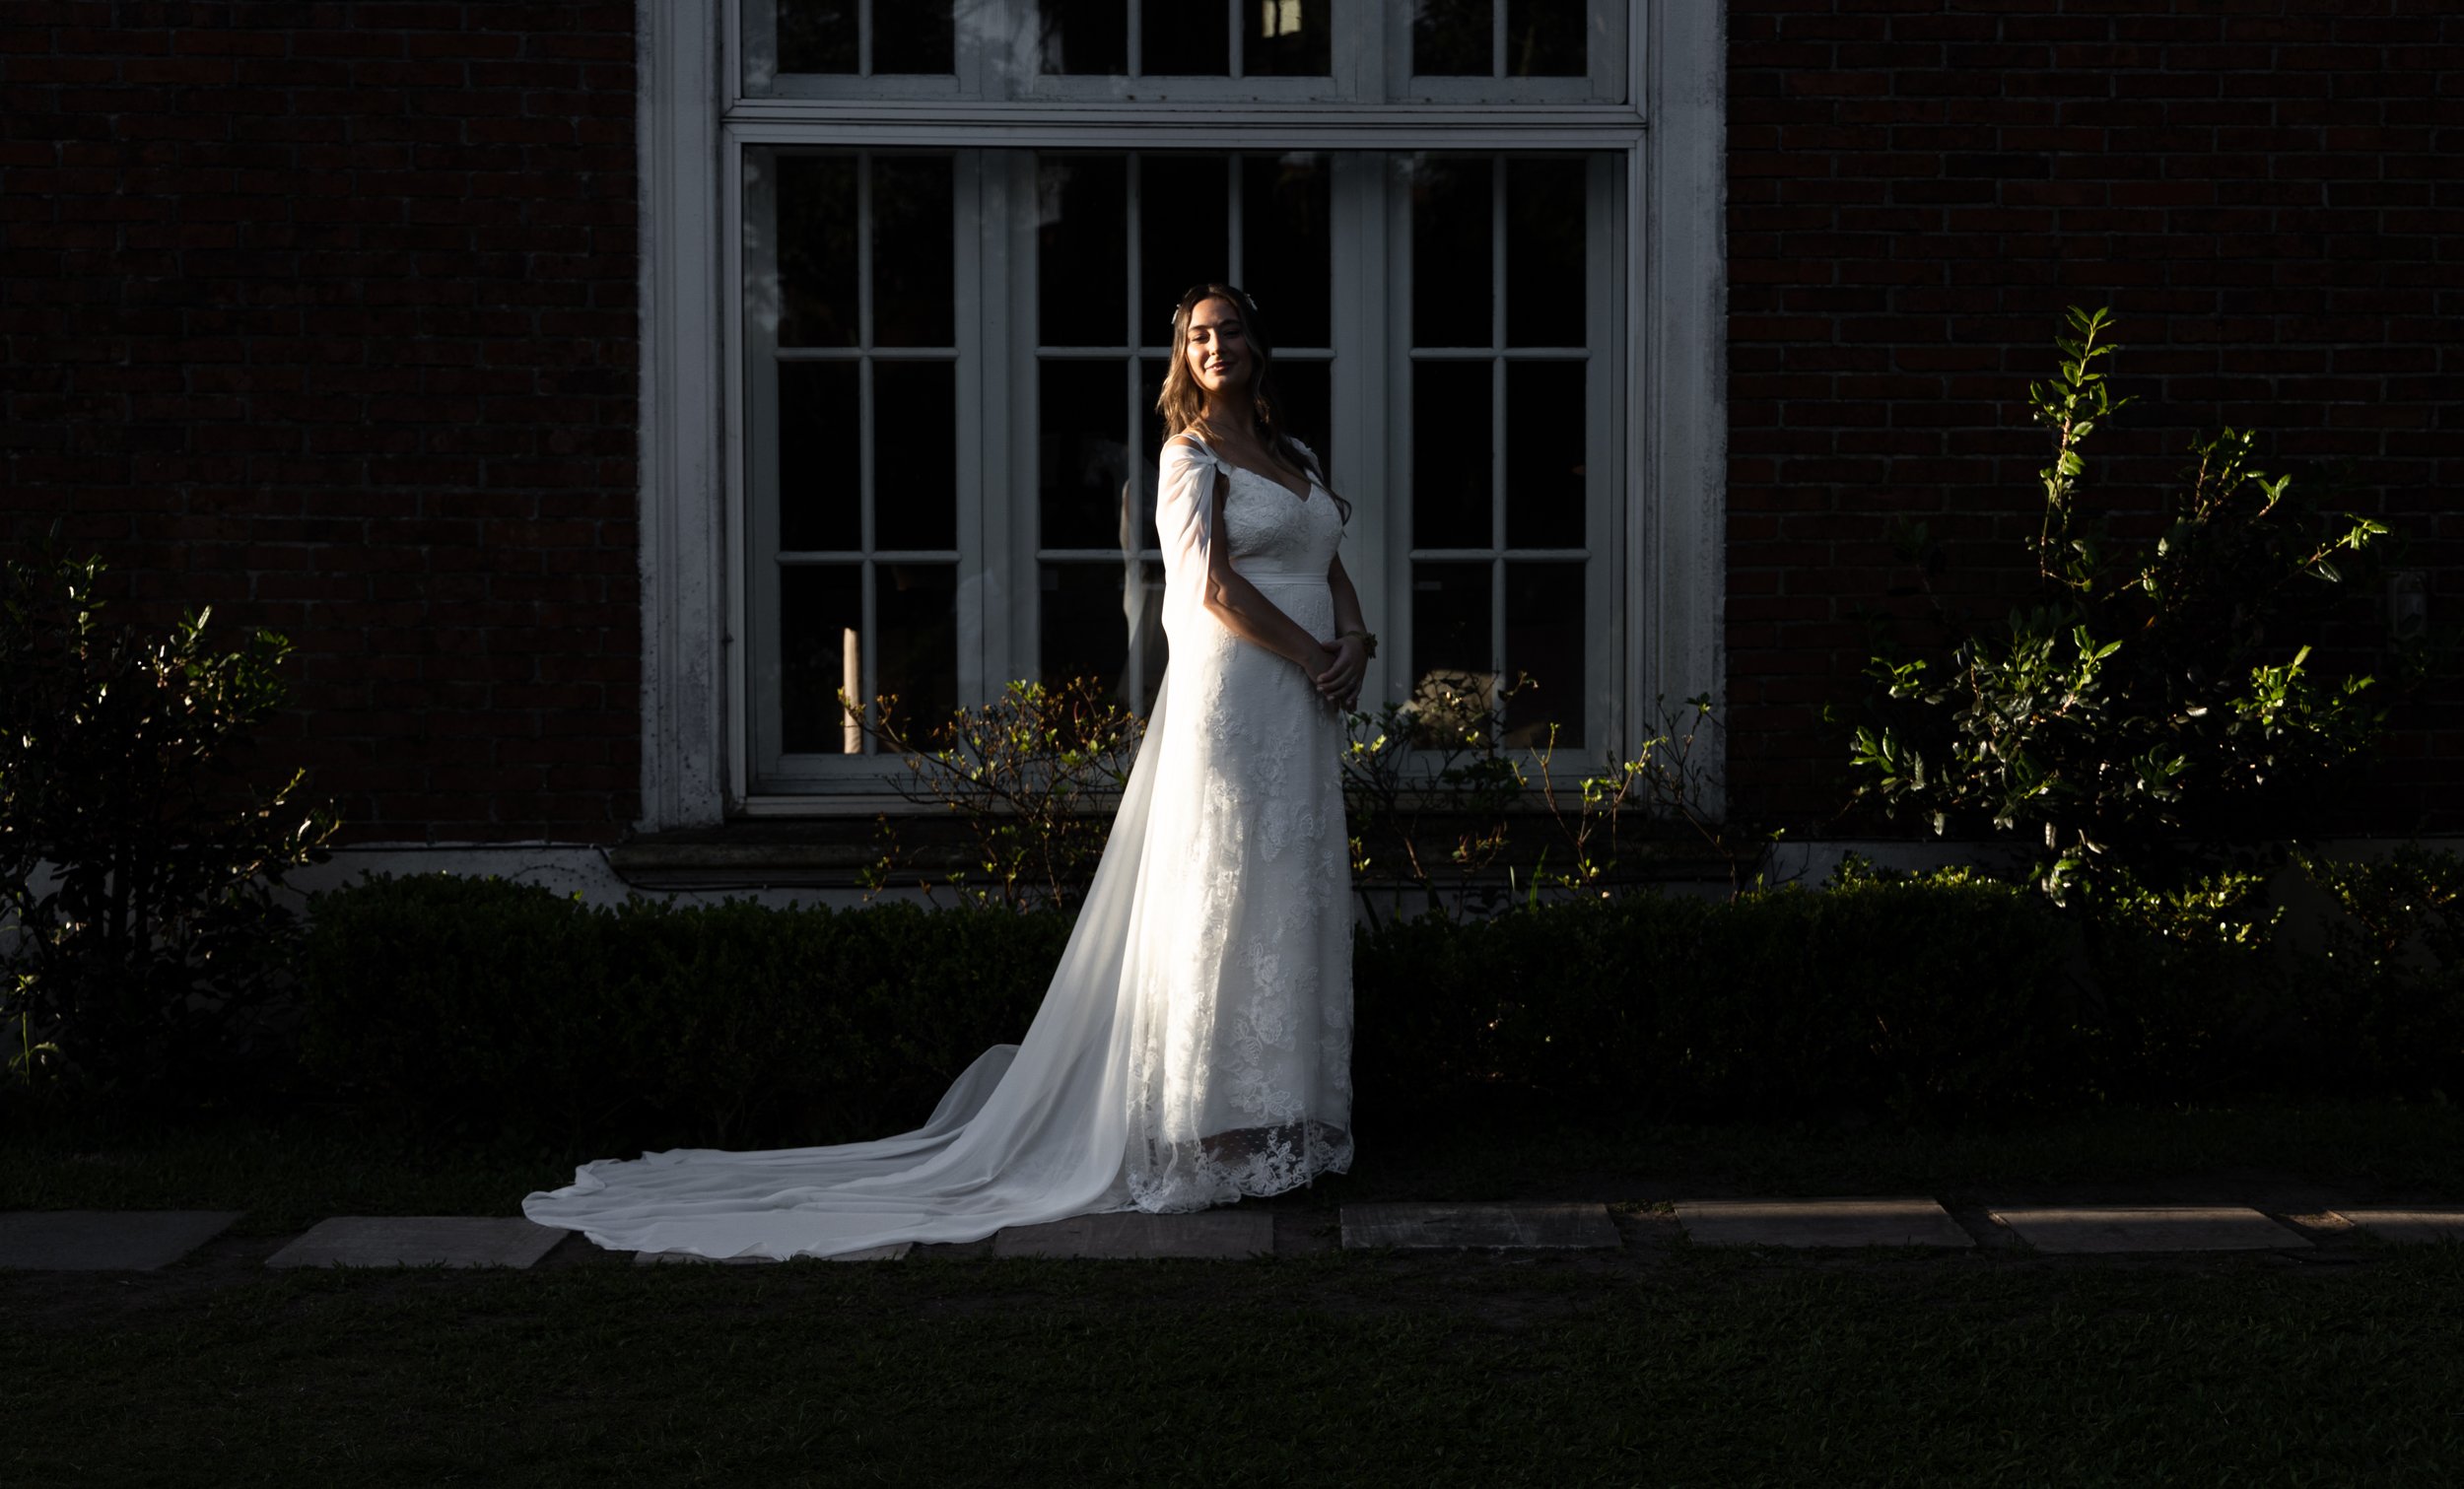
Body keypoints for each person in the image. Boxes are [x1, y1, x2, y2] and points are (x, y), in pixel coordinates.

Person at [523, 283, 1365, 1258]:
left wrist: (1355, 636)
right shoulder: (1189, 455)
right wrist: (1312, 653)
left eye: (1231, 331)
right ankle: (1204, 1128)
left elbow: (1329, 557)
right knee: (1221, 897)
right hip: (1241, 694)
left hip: (1306, 697)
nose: (1217, 345)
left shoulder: (1292, 456)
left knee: (1284, 894)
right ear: (1186, 356)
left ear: (1258, 348)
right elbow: (1207, 585)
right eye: (1199, 335)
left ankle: (1279, 1120)